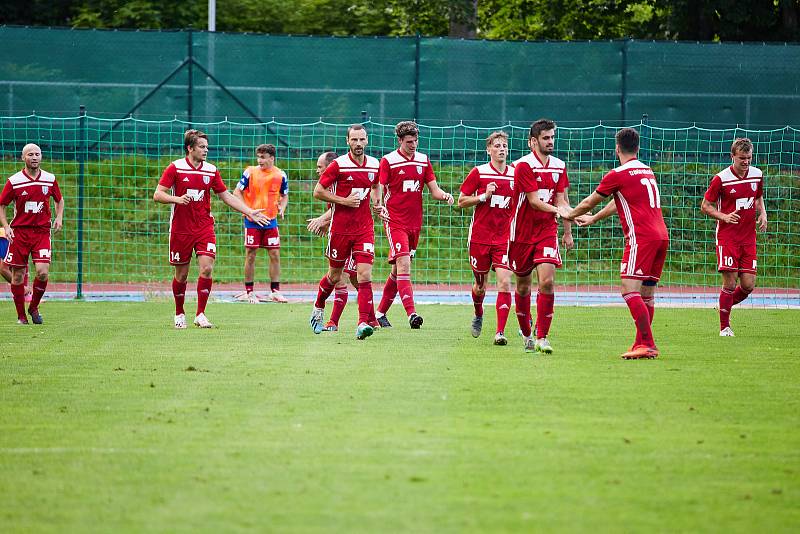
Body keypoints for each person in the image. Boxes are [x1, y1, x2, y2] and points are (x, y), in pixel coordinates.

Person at [564, 127, 669, 359]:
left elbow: (590, 201)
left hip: (641, 238)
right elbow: (620, 201)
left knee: (629, 290)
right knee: (646, 295)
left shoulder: (617, 174)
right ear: (638, 148)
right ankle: (641, 343)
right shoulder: (646, 170)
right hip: (661, 236)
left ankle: (648, 343)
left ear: (617, 148)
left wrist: (569, 215)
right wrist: (593, 219)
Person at [154, 129, 269, 329]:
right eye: (201, 146)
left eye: (207, 147)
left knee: (207, 268)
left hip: (204, 227)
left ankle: (201, 314)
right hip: (181, 229)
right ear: (190, 148)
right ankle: (179, 312)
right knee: (181, 275)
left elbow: (226, 195)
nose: (206, 150)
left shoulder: (211, 170)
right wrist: (177, 199)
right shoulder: (176, 168)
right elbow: (158, 194)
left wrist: (249, 212)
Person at [374, 121, 454, 329]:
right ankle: (412, 314)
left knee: (397, 272)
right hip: (395, 222)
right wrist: (379, 206)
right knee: (404, 265)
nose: (413, 144)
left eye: (416, 140)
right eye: (409, 141)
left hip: (415, 223)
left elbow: (433, 190)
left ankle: (380, 313)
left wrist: (444, 195)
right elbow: (378, 188)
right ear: (400, 140)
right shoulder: (388, 161)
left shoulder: (423, 160)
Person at [309, 124, 385, 340]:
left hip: (364, 229)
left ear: (367, 140)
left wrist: (377, 203)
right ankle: (318, 306)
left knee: (364, 275)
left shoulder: (373, 164)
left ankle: (362, 323)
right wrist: (343, 201)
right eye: (354, 140)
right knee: (334, 276)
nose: (358, 144)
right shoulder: (338, 165)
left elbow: (376, 185)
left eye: (362, 140)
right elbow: (318, 192)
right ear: (347, 141)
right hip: (340, 230)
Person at [509, 119, 574, 354]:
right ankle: (526, 332)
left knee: (547, 281)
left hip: (547, 232)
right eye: (546, 138)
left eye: (553, 137)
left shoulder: (559, 165)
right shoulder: (523, 166)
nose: (551, 142)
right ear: (533, 141)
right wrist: (561, 211)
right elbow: (535, 202)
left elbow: (561, 201)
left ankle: (542, 337)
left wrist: (567, 230)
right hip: (521, 234)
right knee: (523, 286)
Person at [700, 138, 767, 337]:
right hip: (727, 237)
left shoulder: (757, 174)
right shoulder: (721, 178)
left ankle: (723, 304)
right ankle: (724, 327)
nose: (746, 162)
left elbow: (758, 196)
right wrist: (724, 216)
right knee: (729, 283)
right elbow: (705, 205)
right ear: (732, 157)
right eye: (741, 158)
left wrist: (763, 213)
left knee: (748, 285)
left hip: (749, 238)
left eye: (749, 158)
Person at [458, 131, 515, 345]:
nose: (501, 149)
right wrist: (483, 196)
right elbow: (461, 201)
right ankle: (479, 313)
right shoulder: (479, 173)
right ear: (488, 150)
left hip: (503, 239)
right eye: (497, 145)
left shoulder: (515, 174)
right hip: (480, 239)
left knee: (505, 282)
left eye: (504, 146)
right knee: (480, 286)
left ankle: (500, 332)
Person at [0, 143, 64, 324]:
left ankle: (33, 308)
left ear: (41, 156)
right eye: (30, 154)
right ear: (23, 158)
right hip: (20, 233)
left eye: (37, 154)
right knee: (18, 275)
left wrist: (59, 217)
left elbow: (59, 200)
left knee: (43, 272)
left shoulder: (50, 179)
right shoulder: (14, 181)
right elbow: (2, 205)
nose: (34, 157)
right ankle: (21, 316)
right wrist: (6, 226)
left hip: (42, 232)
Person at [306, 151, 360, 332]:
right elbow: (340, 209)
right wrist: (326, 221)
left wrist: (322, 219)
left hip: (359, 233)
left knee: (357, 276)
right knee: (341, 277)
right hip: (340, 233)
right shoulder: (332, 184)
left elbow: (354, 203)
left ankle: (368, 317)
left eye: (320, 167)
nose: (317, 171)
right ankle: (324, 314)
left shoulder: (348, 176)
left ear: (330, 166)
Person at [233, 143, 289, 304]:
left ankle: (275, 291)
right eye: (258, 157)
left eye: (263, 157)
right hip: (252, 220)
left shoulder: (280, 175)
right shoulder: (250, 172)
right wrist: (247, 211)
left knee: (275, 254)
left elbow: (284, 195)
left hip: (271, 221)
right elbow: (237, 192)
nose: (259, 160)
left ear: (272, 158)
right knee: (250, 254)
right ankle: (249, 291)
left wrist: (282, 207)